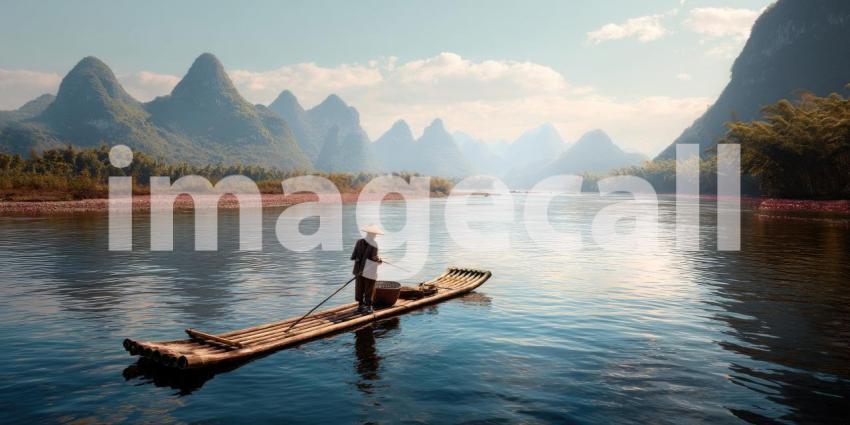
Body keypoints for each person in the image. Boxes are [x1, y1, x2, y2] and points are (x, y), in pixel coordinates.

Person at [350, 224, 383, 313]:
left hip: (358, 270)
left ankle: (360, 305)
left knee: (359, 287)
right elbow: (374, 258)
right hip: (369, 271)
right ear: (372, 235)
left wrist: (359, 259)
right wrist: (380, 260)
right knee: (369, 288)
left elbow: (353, 257)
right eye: (374, 235)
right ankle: (368, 306)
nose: (375, 236)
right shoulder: (374, 244)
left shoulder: (359, 242)